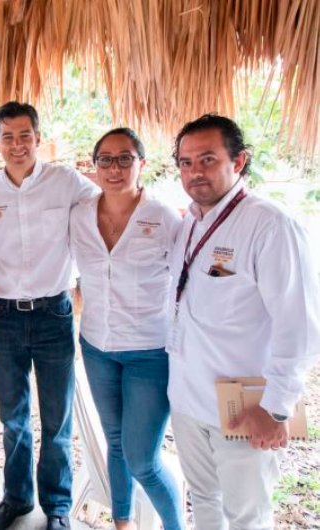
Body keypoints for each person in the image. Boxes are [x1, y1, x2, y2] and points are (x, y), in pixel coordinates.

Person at [168, 113, 320, 529]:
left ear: (238, 161)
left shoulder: (271, 226)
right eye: (185, 162)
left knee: (247, 517)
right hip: (188, 399)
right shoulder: (190, 223)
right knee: (204, 501)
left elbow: (301, 329)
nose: (195, 172)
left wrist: (275, 409)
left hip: (245, 406)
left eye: (207, 159)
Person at [0, 102, 98, 530]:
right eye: (8, 137)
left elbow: (108, 207)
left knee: (57, 419)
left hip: (53, 314)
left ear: (38, 138)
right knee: (13, 418)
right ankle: (17, 498)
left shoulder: (66, 182)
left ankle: (57, 506)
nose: (17, 144)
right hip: (4, 317)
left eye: (25, 135)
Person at [70, 128, 184, 530]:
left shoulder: (164, 218)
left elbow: (187, 284)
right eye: (105, 159)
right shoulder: (79, 215)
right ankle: (123, 523)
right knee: (115, 443)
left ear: (142, 164)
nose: (114, 168)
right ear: (94, 165)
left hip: (150, 351)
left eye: (125, 158)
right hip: (97, 346)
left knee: (143, 459)